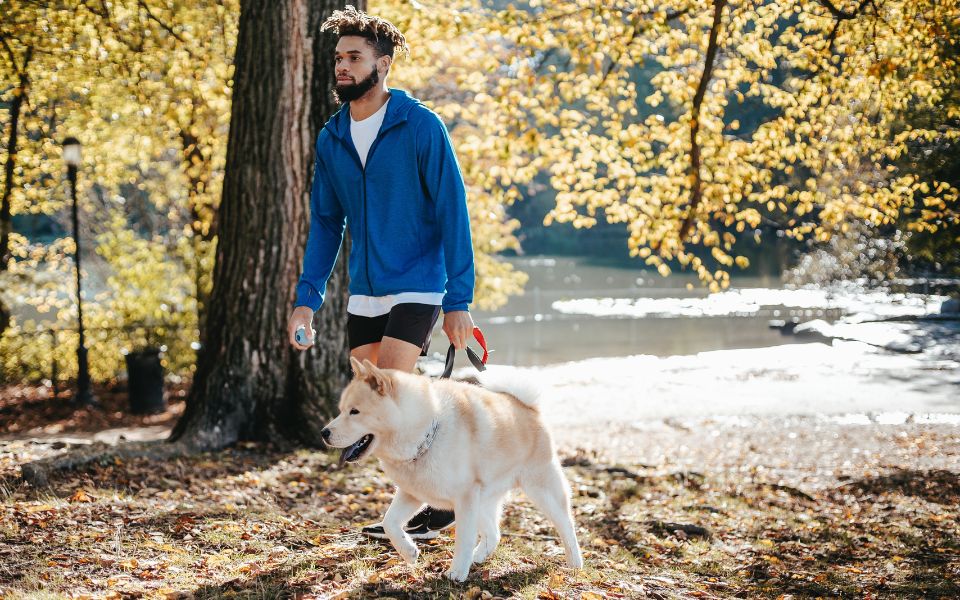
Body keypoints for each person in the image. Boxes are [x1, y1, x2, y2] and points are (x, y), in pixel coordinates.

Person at [286, 6, 474, 540]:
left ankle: (433, 509)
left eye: (354, 57)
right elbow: (325, 224)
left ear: (383, 64)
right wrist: (307, 298)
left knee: (391, 399)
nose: (342, 67)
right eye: (338, 58)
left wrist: (458, 299)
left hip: (418, 280)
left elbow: (452, 211)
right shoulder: (332, 137)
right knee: (380, 404)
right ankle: (439, 486)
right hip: (364, 290)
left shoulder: (420, 126)